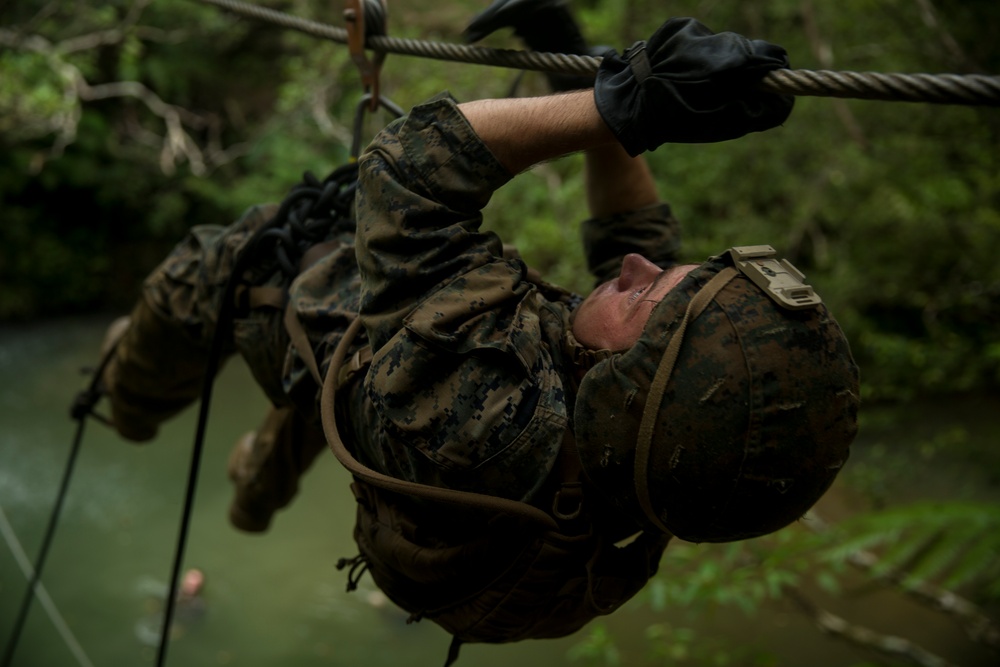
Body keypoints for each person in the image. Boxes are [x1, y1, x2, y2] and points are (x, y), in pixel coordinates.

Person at [98, 0, 859, 656]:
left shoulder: (493, 417)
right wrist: (581, 77)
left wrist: (619, 103)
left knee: (207, 279)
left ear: (614, 388)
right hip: (385, 396)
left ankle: (123, 404)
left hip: (322, 333)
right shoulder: (658, 455)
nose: (634, 265)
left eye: (644, 294)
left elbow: (408, 173)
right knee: (313, 412)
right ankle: (252, 495)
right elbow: (638, 236)